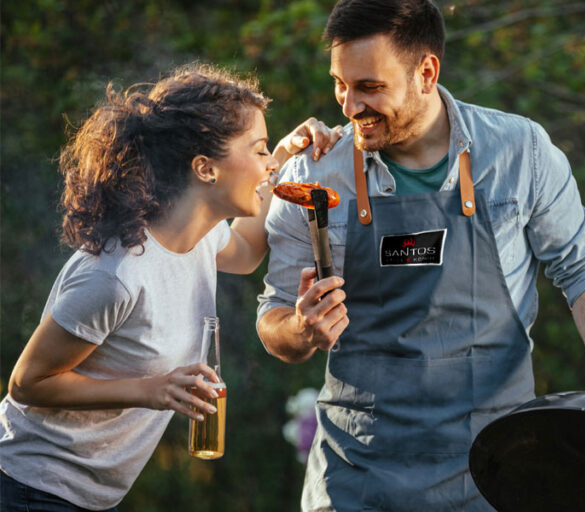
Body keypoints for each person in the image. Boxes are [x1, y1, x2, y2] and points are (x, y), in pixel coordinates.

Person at [256, 0, 585, 509]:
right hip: (356, 479)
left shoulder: (518, 152)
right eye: (340, 84)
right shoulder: (312, 176)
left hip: (497, 471)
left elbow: (581, 266)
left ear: (426, 72)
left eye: (370, 87)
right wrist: (302, 330)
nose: (349, 107)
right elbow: (274, 316)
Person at [0, 63, 340, 512]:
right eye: (257, 151)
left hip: (87, 497)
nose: (270, 164)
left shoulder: (200, 238)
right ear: (205, 168)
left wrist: (282, 155)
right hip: (31, 488)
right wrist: (152, 389)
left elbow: (246, 250)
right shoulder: (116, 274)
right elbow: (27, 383)